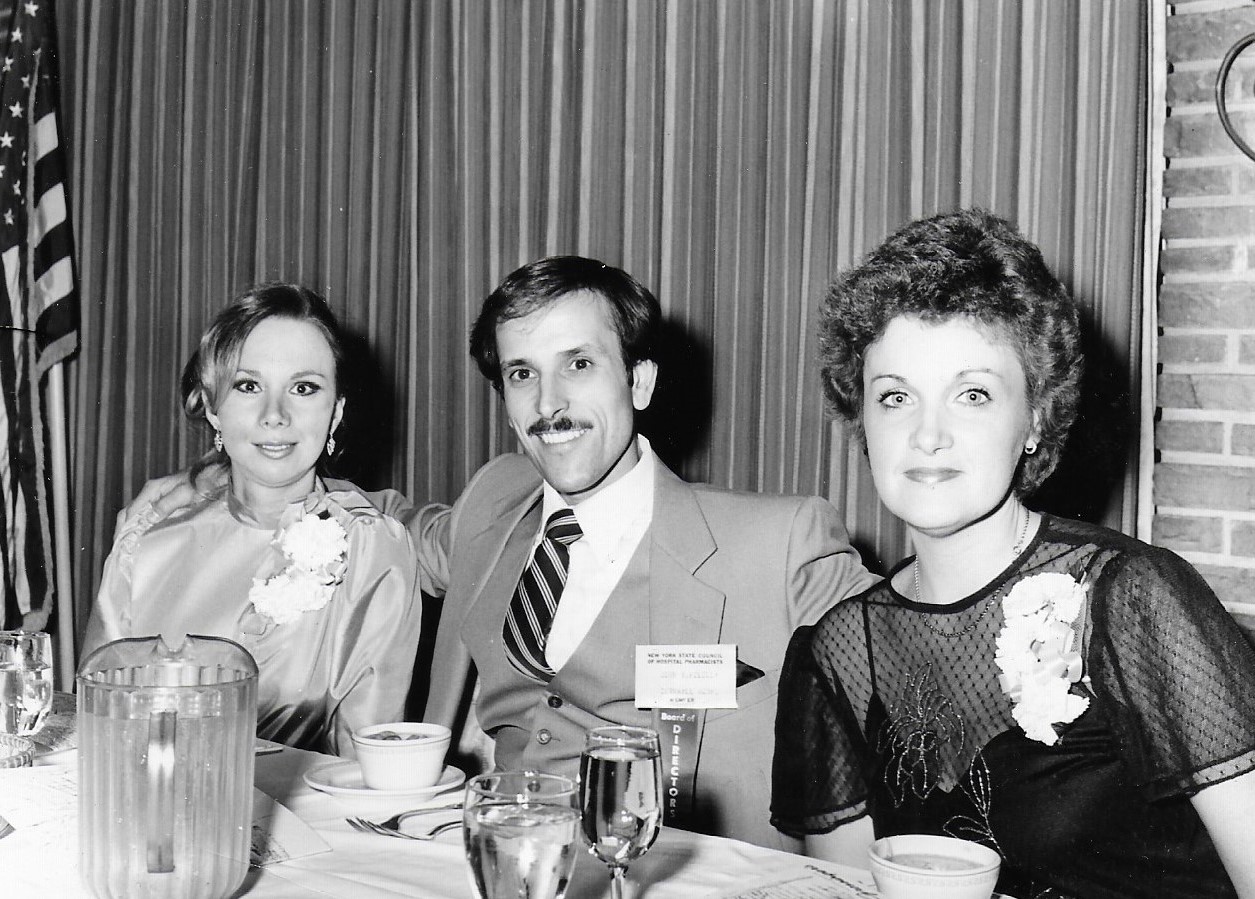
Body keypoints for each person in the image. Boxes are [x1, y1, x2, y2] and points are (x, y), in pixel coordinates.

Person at [126, 256, 875, 851]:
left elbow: (911, 653)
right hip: (491, 863)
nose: (548, 401)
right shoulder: (495, 506)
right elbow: (380, 520)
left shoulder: (775, 542)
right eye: (522, 374)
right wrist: (216, 482)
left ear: (638, 380)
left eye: (578, 364)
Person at [771, 209, 1255, 898]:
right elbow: (847, 887)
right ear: (862, 420)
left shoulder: (1129, 597)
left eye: (971, 394)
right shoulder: (837, 651)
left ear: (1032, 419)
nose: (927, 434)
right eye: (895, 397)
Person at [84, 283, 422, 757]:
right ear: (213, 406)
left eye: (303, 389)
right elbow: (95, 727)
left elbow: (364, 765)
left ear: (337, 411)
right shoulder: (147, 538)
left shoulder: (372, 550)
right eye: (248, 386)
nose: (275, 415)